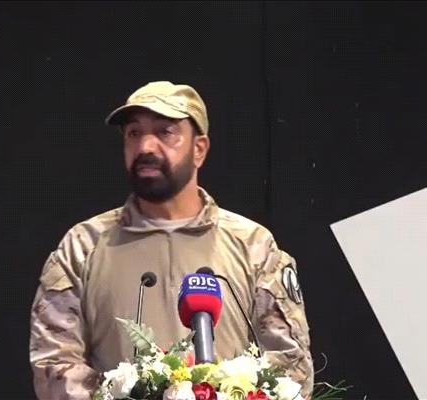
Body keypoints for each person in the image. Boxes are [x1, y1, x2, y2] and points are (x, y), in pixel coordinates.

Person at [29, 81, 314, 400]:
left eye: (165, 132)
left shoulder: (254, 246)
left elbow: (291, 368)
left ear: (199, 149)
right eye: (134, 133)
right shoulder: (82, 247)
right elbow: (53, 364)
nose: (145, 146)